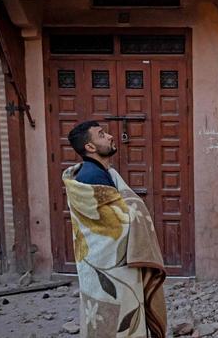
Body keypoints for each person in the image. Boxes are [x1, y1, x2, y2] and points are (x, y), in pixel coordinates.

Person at [63, 121, 166, 337]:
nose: (110, 136)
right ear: (90, 147)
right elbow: (114, 223)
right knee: (113, 321)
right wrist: (136, 210)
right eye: (101, 135)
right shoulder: (91, 177)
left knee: (115, 320)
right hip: (107, 265)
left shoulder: (103, 172)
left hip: (113, 268)